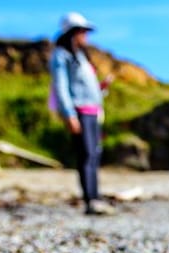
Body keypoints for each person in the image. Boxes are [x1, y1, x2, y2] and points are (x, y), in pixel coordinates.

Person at [50, 12, 114, 215]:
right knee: (86, 154)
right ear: (73, 33)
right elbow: (61, 86)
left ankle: (96, 196)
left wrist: (102, 87)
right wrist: (69, 114)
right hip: (79, 111)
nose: (86, 36)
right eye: (83, 32)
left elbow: (89, 89)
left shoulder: (81, 57)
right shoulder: (61, 55)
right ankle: (90, 200)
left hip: (93, 111)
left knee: (94, 154)